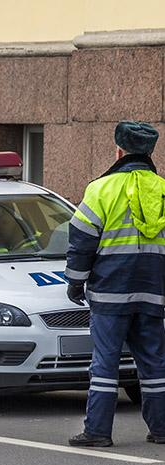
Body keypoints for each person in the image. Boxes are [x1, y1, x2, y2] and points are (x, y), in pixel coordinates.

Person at [65, 121, 165, 447]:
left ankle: (97, 431)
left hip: (110, 293)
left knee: (105, 364)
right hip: (153, 292)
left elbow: (81, 241)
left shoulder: (101, 189)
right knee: (155, 364)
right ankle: (162, 429)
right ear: (150, 151)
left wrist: (75, 283)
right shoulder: (162, 189)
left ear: (119, 150)